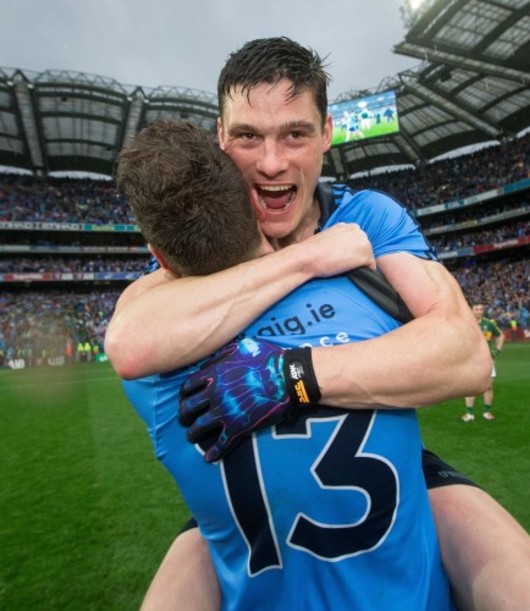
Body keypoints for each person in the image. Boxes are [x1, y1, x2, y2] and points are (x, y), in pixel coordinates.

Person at [106, 37, 530, 610]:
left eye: (295, 133)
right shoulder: (197, 247)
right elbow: (129, 341)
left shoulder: (369, 216)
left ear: (328, 132)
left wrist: (292, 375)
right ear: (220, 137)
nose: (271, 161)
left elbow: (468, 355)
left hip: (397, 480)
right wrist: (308, 256)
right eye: (247, 136)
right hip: (252, 511)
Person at [116, 118, 456, 609]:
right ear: (258, 208)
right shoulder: (365, 298)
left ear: (158, 259)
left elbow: (129, 332)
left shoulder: (154, 381)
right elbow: (462, 356)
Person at [461, 304, 505, 423]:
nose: (480, 312)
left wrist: (497, 350)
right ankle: (469, 414)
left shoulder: (489, 324)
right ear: (472, 310)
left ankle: (487, 412)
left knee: (488, 387)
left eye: (481, 309)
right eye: (477, 309)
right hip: (471, 360)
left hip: (487, 359)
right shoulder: (466, 324)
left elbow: (500, 336)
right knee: (471, 387)